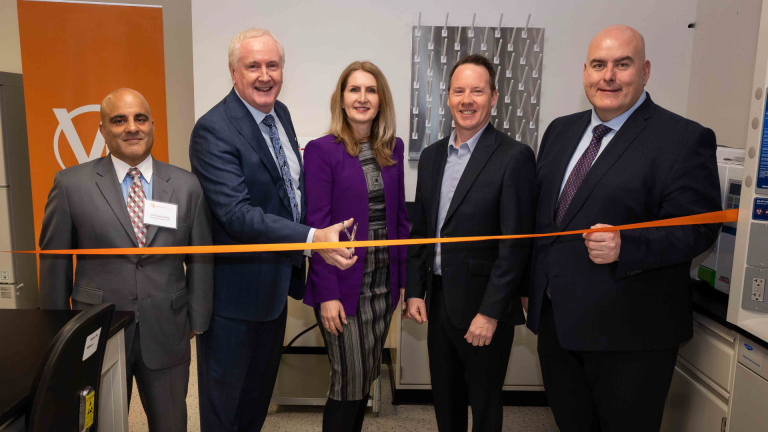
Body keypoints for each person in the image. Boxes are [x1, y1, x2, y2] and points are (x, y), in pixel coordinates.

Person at [525, 25, 722, 432]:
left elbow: (700, 228)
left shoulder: (683, 139)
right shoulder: (560, 131)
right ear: (585, 72)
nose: (608, 76)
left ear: (645, 71)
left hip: (630, 337)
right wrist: (532, 286)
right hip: (558, 327)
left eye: (622, 64)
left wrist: (626, 245)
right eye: (599, 65)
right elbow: (547, 221)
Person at [189, 28, 357, 432]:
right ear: (233, 72)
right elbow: (237, 214)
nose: (265, 75)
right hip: (234, 299)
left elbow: (287, 190)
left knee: (255, 403)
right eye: (253, 66)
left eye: (272, 65)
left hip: (274, 290)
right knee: (224, 411)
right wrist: (313, 238)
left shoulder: (278, 114)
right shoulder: (213, 129)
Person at [38, 88, 213, 432]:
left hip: (168, 327)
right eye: (119, 120)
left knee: (171, 423)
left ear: (152, 125)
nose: (131, 127)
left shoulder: (186, 185)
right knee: (101, 423)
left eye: (140, 118)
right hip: (97, 331)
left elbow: (201, 256)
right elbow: (54, 262)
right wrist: (57, 327)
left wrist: (198, 315)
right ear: (103, 130)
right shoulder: (71, 184)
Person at [406, 54, 537, 432]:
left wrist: (492, 312)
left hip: (484, 307)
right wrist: (415, 290)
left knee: (484, 404)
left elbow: (515, 246)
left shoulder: (514, 157)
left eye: (477, 91)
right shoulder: (431, 158)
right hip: (440, 299)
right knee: (445, 401)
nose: (468, 99)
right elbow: (423, 232)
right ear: (447, 97)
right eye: (459, 91)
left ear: (494, 97)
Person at [303, 61, 409, 432]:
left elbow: (400, 223)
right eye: (354, 90)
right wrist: (326, 295)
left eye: (371, 90)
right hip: (343, 284)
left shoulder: (392, 148)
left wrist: (403, 283)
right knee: (347, 382)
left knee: (362, 381)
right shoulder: (320, 151)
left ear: (381, 100)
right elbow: (317, 231)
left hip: (383, 284)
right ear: (342, 100)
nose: (362, 98)